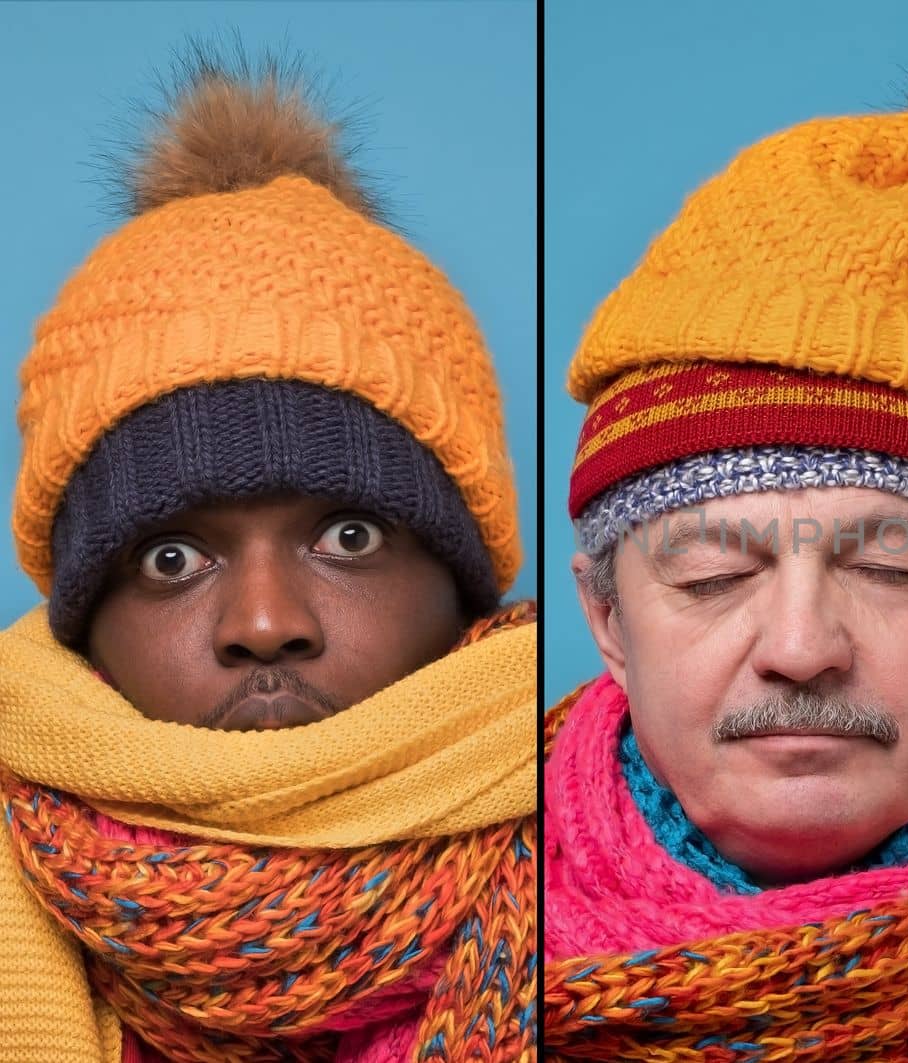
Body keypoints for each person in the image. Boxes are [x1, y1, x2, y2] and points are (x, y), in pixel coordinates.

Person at [0, 49, 538, 1060]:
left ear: (462, 586)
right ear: (85, 625)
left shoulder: (617, 890)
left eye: (350, 535)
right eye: (169, 558)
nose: (263, 623)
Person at [542, 48, 908, 1060]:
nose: (800, 645)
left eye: (887, 567)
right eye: (711, 575)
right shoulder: (485, 900)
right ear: (606, 617)